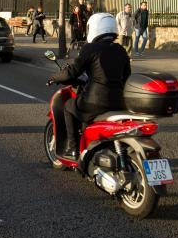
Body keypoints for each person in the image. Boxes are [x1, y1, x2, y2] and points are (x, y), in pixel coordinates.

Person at [48, 13, 131, 160]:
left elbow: (72, 72)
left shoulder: (90, 48)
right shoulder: (121, 50)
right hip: (119, 102)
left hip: (95, 101)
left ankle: (73, 150)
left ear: (95, 28)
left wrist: (54, 77)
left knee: (68, 106)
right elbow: (126, 77)